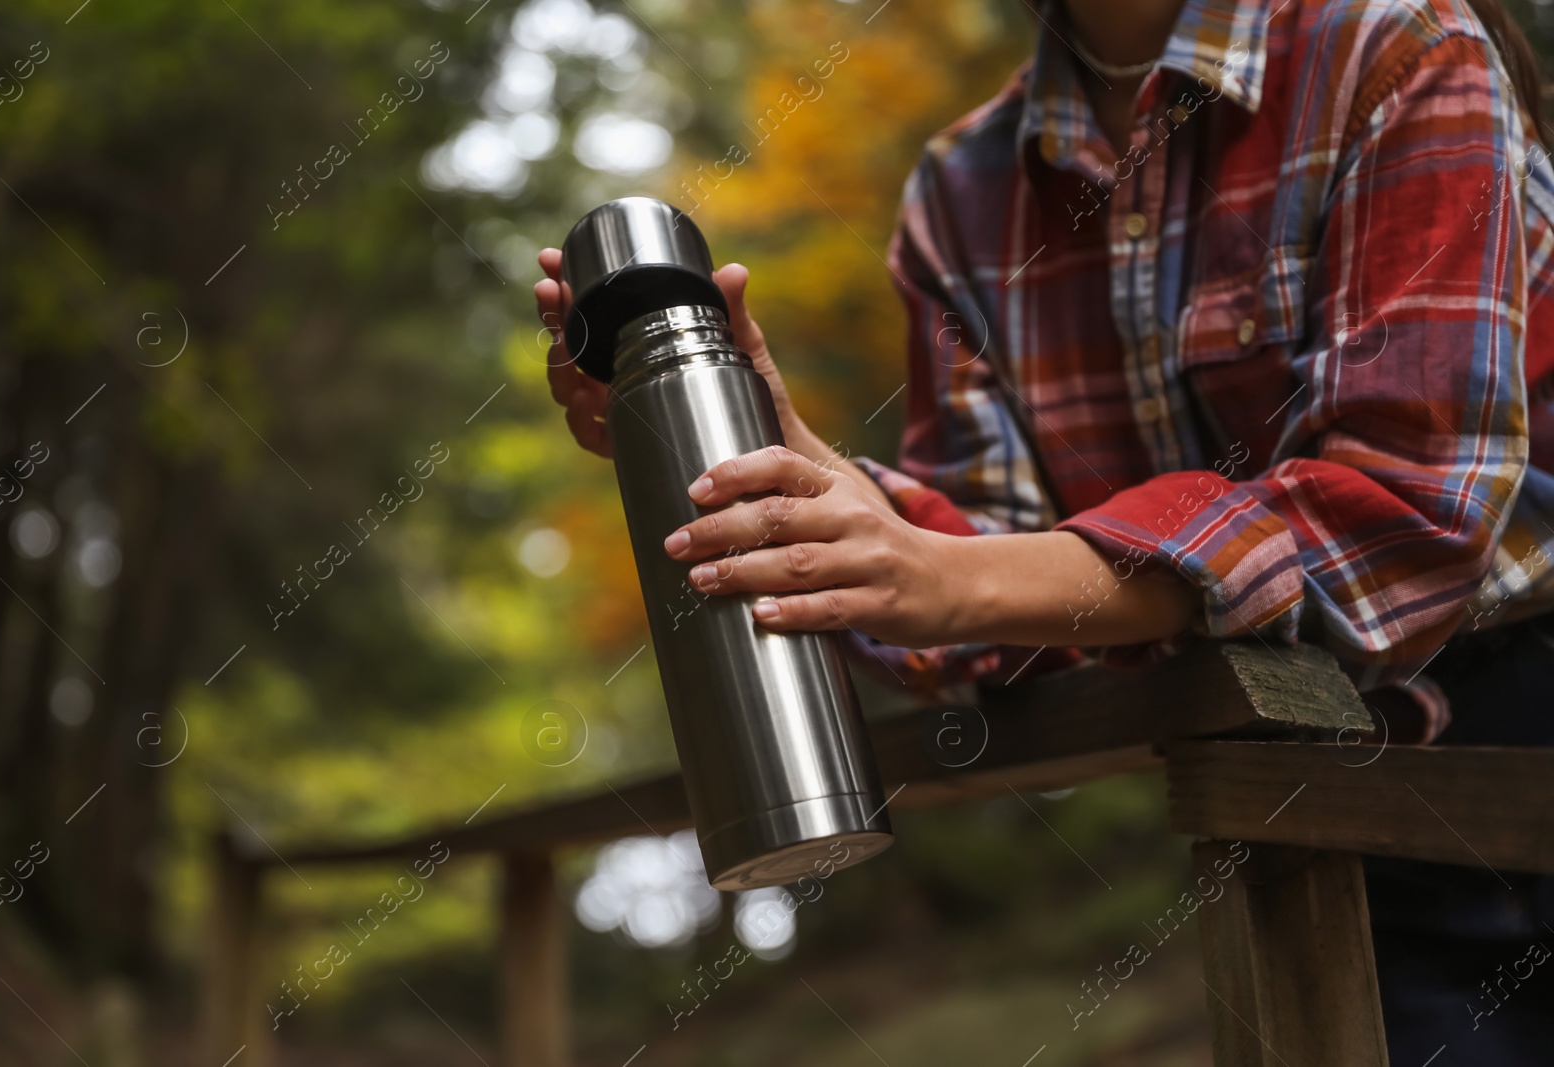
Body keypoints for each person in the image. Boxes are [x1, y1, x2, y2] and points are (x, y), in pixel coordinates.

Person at [538, 0, 1554, 1058]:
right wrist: (786, 469)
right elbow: (1003, 585)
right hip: (1313, 805)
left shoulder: (1391, 50)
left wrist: (949, 574)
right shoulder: (961, 191)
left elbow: (1405, 505)